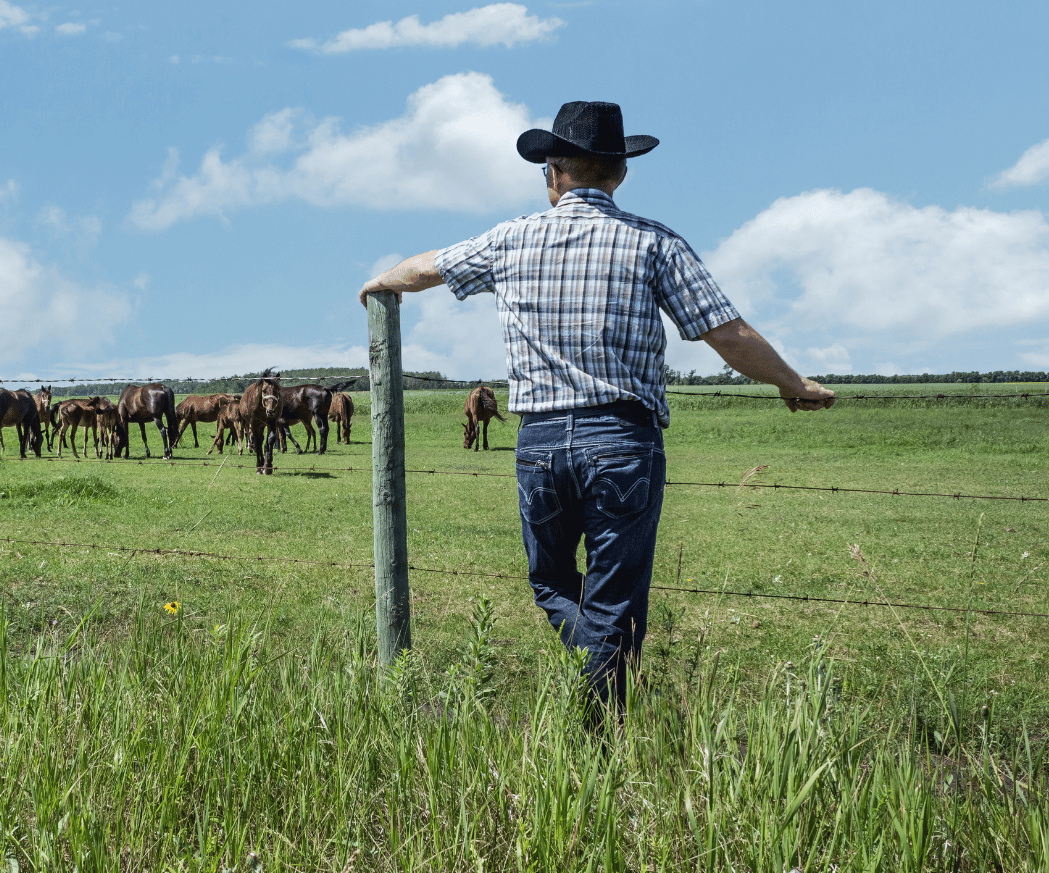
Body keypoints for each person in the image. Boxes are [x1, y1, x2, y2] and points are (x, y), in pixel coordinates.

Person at [357, 101, 836, 710]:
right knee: (616, 600)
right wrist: (792, 383)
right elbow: (726, 332)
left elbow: (427, 269)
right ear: (620, 172)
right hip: (621, 440)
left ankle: (598, 703)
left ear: (552, 174)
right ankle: (599, 725)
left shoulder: (511, 239)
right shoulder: (654, 243)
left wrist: (378, 283)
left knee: (551, 582)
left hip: (539, 443)